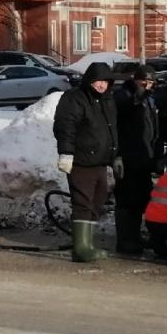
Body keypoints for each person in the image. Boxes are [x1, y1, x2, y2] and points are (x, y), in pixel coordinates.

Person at [53, 61, 119, 262]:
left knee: (97, 201)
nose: (101, 85)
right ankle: (81, 248)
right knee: (83, 201)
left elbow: (112, 129)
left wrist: (116, 155)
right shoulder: (74, 98)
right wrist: (66, 153)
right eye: (98, 81)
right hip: (81, 160)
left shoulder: (106, 100)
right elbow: (65, 127)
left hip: (99, 161)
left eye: (105, 82)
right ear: (90, 80)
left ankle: (88, 242)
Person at [112, 64, 160, 254]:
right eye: (144, 82)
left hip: (144, 156)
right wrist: (140, 94)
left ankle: (136, 236)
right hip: (127, 157)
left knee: (142, 198)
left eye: (150, 82)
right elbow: (125, 108)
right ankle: (126, 239)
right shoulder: (123, 95)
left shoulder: (149, 100)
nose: (147, 85)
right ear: (135, 80)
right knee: (127, 198)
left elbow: (153, 128)